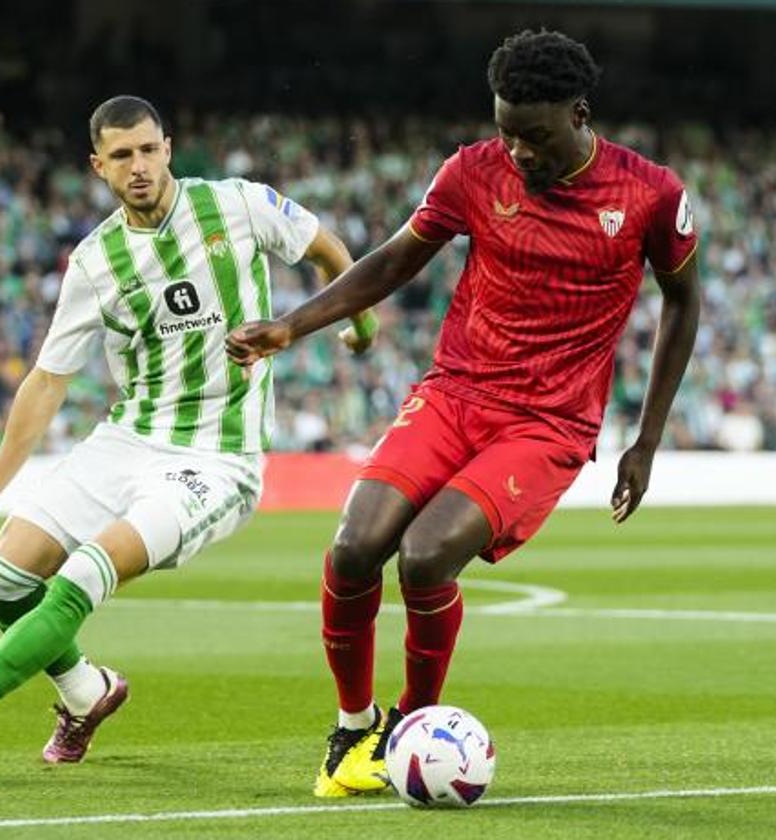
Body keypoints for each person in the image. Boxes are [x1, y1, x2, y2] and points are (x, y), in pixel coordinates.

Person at [226, 29, 700, 797]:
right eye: (505, 128)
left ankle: (413, 732)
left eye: (536, 135)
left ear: (580, 115)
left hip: (548, 422)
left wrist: (646, 439)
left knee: (424, 556)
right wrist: (290, 325)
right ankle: (353, 731)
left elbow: (684, 304)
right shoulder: (473, 172)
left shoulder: (650, 194)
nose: (517, 150)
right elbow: (392, 260)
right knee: (353, 548)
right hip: (455, 391)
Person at [0, 95, 377, 764]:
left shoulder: (239, 205)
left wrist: (362, 322)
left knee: (83, 576)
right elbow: (47, 378)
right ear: (99, 167)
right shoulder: (95, 263)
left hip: (216, 459)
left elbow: (325, 250)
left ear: (168, 147)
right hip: (128, 440)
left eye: (149, 150)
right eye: (122, 156)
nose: (139, 166)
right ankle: (86, 691)